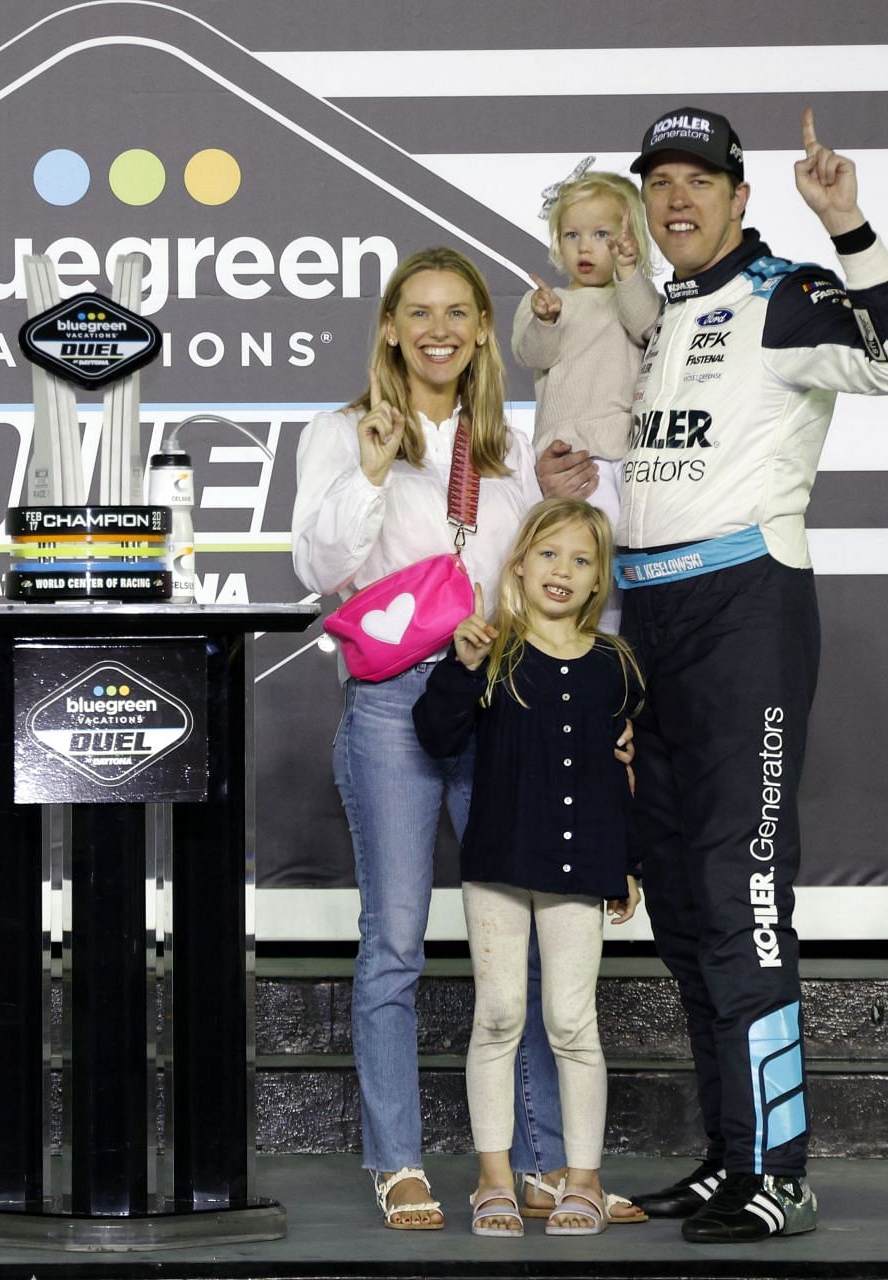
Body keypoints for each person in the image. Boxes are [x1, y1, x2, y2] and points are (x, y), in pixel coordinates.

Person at [544, 106, 888, 1243]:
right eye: (660, 182)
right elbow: (680, 454)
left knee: (746, 894)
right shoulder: (657, 313)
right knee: (682, 901)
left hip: (746, 611)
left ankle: (783, 1169)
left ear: (739, 196)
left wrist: (849, 220)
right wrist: (591, 468)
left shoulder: (790, 292)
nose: (677, 200)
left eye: (699, 182)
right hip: (653, 612)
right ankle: (731, 1155)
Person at [291, 246, 629, 1229]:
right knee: (394, 943)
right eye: (418, 312)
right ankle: (396, 1158)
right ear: (391, 327)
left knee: (516, 951)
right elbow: (319, 567)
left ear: (484, 330)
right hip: (398, 707)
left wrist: (582, 494)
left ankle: (530, 1159)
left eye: (458, 313)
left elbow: (562, 582)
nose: (438, 329)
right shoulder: (339, 430)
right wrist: (367, 469)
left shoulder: (517, 449)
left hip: (507, 707)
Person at [410, 497, 647, 1237]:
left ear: (599, 580)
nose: (563, 571)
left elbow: (625, 775)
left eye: (581, 561)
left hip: (582, 867)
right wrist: (462, 666)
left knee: (572, 1021)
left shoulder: (617, 666)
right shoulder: (496, 653)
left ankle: (583, 1180)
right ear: (518, 563)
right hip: (501, 864)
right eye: (549, 554)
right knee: (502, 1015)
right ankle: (494, 1181)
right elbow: (436, 734)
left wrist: (626, 866)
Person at [512, 160, 663, 624]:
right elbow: (532, 354)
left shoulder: (634, 295)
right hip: (574, 461)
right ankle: (585, 643)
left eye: (601, 235)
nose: (585, 247)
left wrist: (629, 273)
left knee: (630, 565)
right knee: (579, 563)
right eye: (572, 235)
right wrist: (546, 319)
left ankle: (620, 648)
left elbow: (647, 326)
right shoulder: (550, 302)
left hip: (628, 454)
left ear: (628, 238)